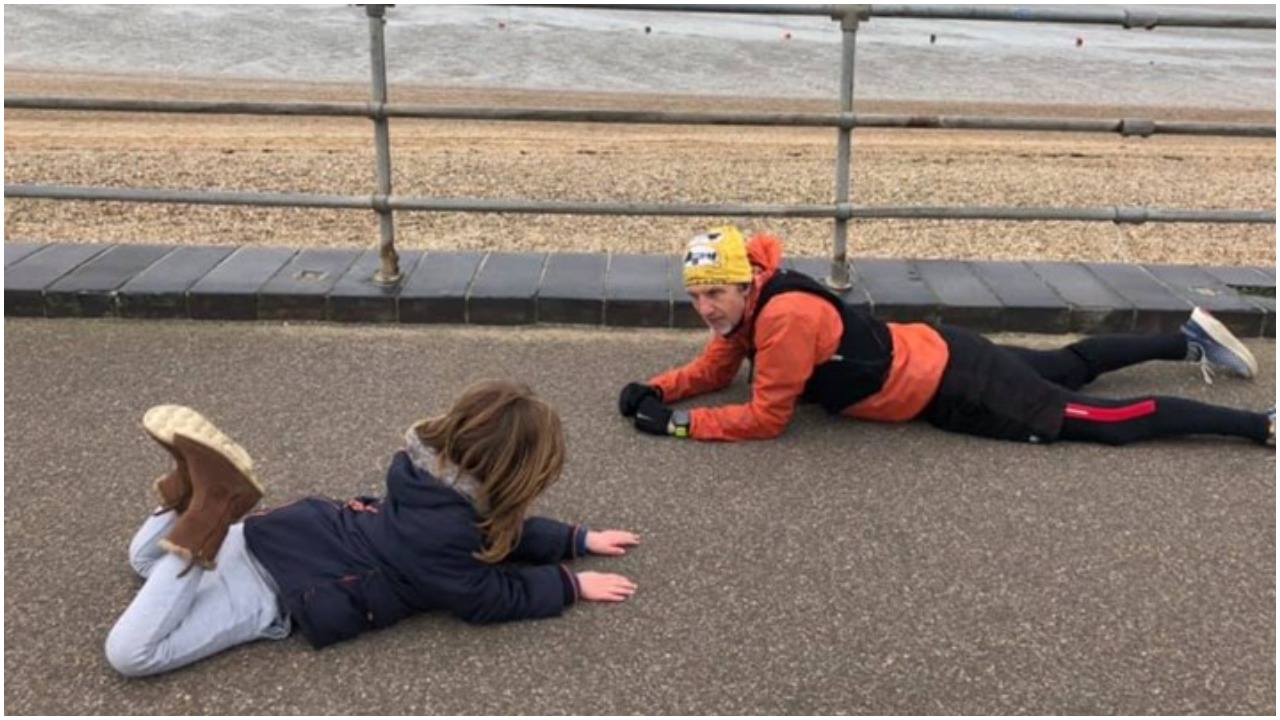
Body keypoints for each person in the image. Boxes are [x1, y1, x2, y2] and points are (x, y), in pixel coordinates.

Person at [106, 381, 640, 677]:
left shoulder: (420, 477)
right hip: (277, 587)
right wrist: (568, 584)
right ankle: (208, 514)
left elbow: (498, 535)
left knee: (148, 563)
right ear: (512, 475)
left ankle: (192, 500)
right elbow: (485, 596)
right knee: (131, 654)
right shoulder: (446, 538)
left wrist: (576, 540)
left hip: (270, 535)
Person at [618, 225, 1275, 447]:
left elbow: (766, 418)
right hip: (940, 346)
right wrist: (658, 388)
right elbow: (715, 367)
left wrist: (677, 427)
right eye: (695, 295)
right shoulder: (757, 297)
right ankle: (1184, 335)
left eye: (713, 294)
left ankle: (1262, 428)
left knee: (1104, 419)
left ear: (743, 284)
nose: (705, 307)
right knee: (1066, 364)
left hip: (952, 385)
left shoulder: (784, 319)